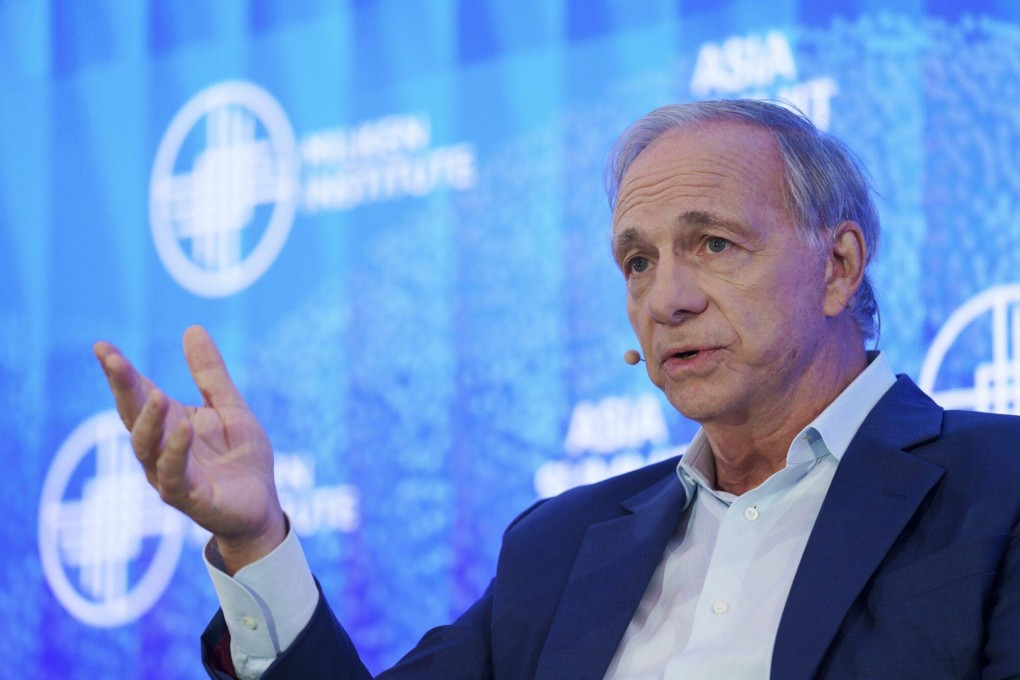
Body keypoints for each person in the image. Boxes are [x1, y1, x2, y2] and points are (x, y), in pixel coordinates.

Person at [95, 99, 1020, 679]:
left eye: (714, 245)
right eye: (637, 261)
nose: (668, 298)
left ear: (839, 265)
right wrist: (254, 538)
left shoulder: (998, 486)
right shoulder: (562, 545)